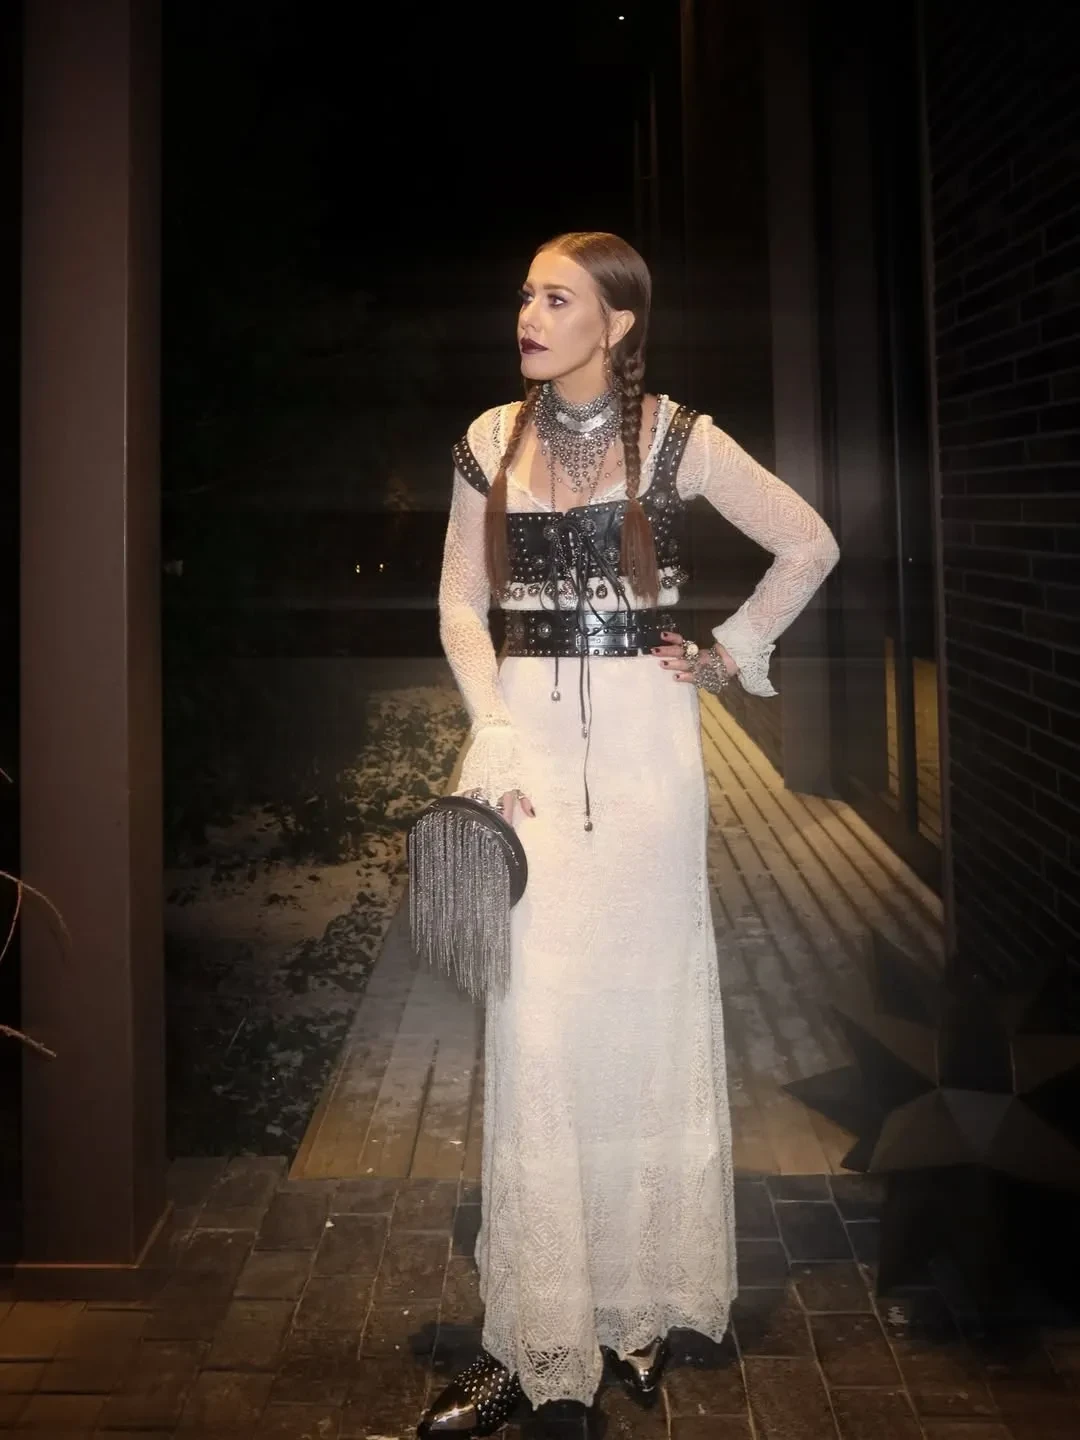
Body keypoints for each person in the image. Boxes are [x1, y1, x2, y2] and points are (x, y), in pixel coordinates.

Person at [417, 231, 839, 1438]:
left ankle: (635, 1309)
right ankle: (532, 1334)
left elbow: (810, 541)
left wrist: (730, 651)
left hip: (652, 764)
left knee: (645, 1021)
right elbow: (460, 602)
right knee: (538, 1025)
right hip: (531, 756)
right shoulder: (488, 438)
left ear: (616, 323)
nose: (529, 313)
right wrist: (494, 729)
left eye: (557, 298)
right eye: (525, 293)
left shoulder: (678, 438)